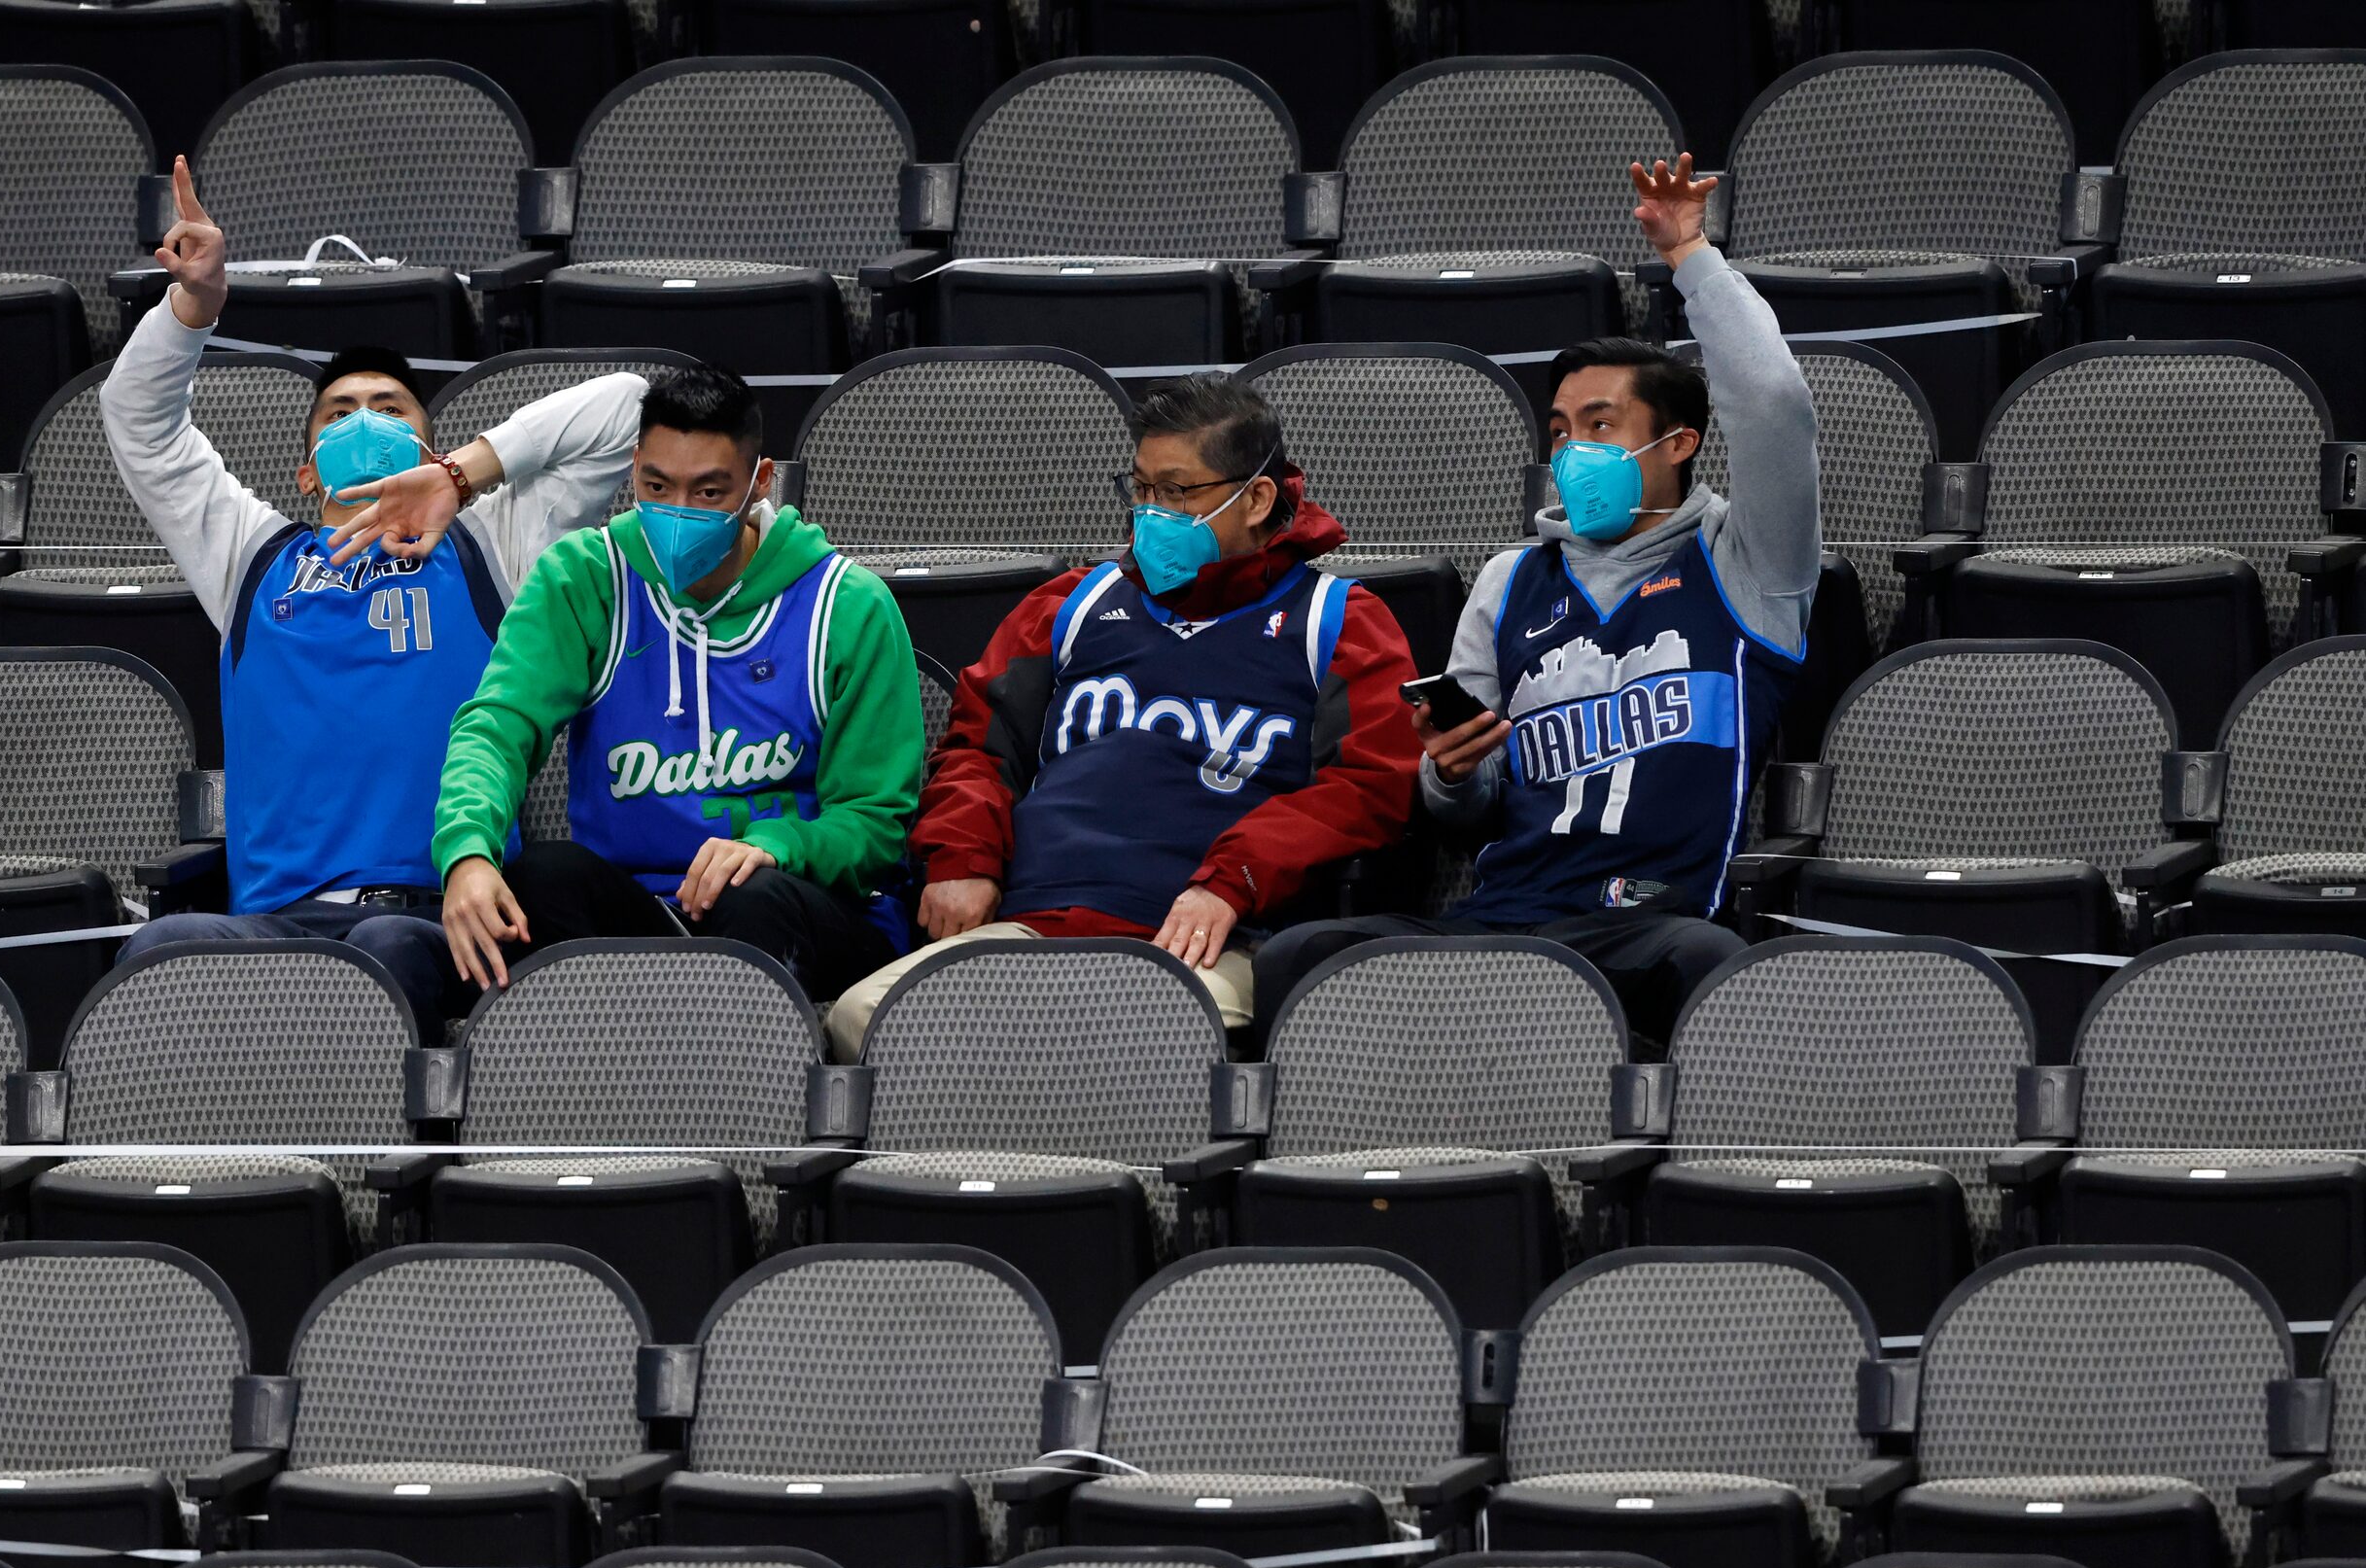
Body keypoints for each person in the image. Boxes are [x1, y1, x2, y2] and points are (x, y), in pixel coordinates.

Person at [1252, 155, 1822, 1045]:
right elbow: (1466, 804)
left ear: (1678, 444)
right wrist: (1448, 769)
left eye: (1601, 425)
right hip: (1506, 915)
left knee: (1707, 962)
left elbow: (1778, 403)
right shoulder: (1510, 579)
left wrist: (1692, 259)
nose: (1572, 449)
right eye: (1560, 430)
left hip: (1645, 924)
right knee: (1299, 956)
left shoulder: (1749, 565)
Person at [100, 157, 646, 1031]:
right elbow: (139, 422)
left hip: (439, 914)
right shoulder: (249, 555)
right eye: (341, 411)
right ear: (306, 471)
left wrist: (464, 480)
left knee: (387, 954)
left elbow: (629, 406)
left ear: (435, 448)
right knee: (150, 957)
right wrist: (192, 308)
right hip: (277, 920)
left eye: (393, 409)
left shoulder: (490, 543)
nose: (366, 421)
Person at [820, 370, 1418, 1061]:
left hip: (1203, 938)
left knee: (1121, 1051)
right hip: (1030, 922)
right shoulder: (1069, 604)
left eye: (1176, 492)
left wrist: (1234, 879)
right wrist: (963, 857)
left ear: (1256, 497)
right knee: (865, 1020)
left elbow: (1371, 785)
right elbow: (977, 749)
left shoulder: (1339, 621)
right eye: (1140, 489)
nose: (1151, 513)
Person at [431, 366, 922, 999]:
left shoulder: (848, 605)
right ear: (633, 467)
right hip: (641, 908)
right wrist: (467, 851)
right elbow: (496, 728)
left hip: (802, 906)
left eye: (709, 493)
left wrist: (777, 845)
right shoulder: (584, 578)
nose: (678, 514)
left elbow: (876, 825)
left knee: (751, 898)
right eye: (656, 486)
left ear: (759, 483)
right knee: (537, 877)